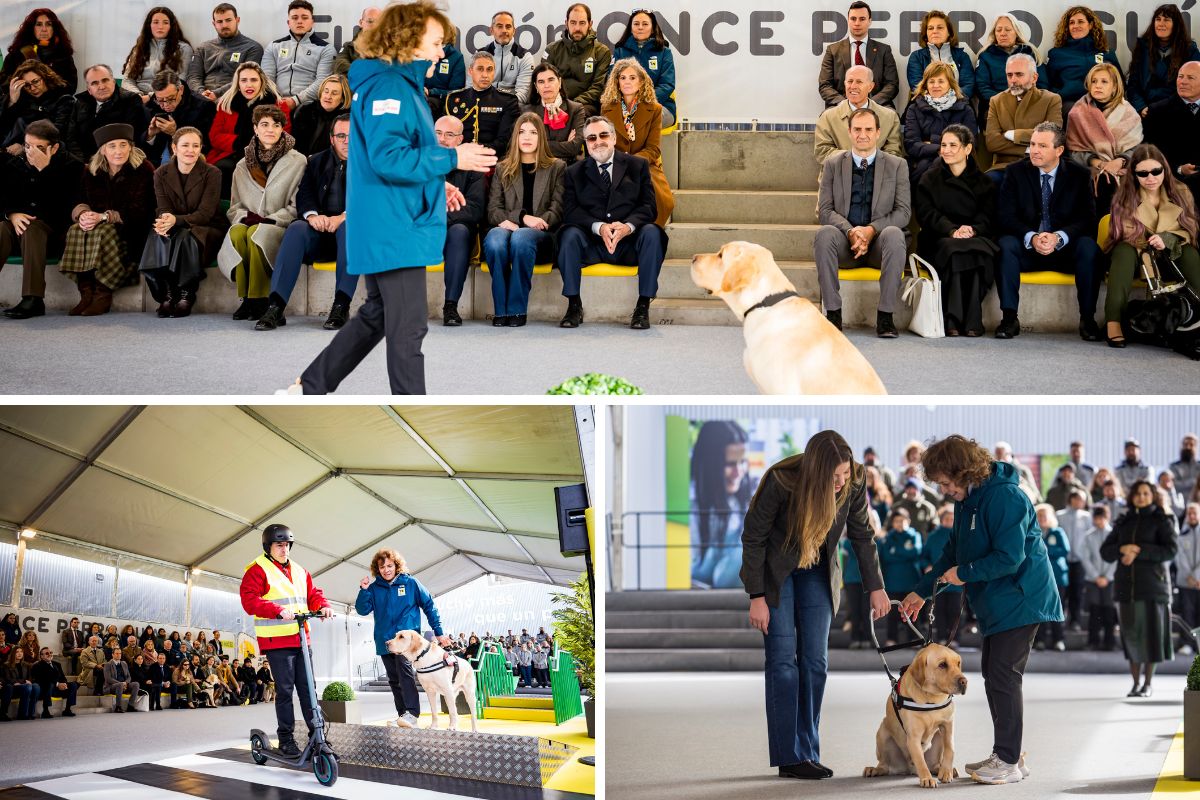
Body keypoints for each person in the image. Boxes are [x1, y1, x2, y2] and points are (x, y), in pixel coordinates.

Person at [291, 1, 496, 396]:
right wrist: (454, 156)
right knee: (409, 328)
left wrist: (437, 183)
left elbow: (384, 158)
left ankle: (311, 385)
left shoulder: (397, 85)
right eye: (436, 42)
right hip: (394, 227)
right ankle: (409, 406)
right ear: (408, 40)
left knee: (378, 314)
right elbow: (389, 159)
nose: (442, 52)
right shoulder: (391, 88)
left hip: (391, 219)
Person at [900, 435, 1062, 785]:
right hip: (998, 603)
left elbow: (1010, 556)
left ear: (964, 471)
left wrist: (964, 573)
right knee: (995, 674)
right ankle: (1010, 754)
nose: (943, 490)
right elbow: (952, 552)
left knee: (1003, 676)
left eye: (945, 482)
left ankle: (1007, 761)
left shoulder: (1005, 496)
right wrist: (920, 592)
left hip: (1022, 599)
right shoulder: (966, 501)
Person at [742, 430, 889, 780]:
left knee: (815, 662)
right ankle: (788, 756)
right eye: (833, 476)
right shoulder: (782, 480)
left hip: (819, 570)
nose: (840, 482)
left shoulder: (853, 479)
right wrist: (756, 596)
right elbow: (754, 537)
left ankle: (806, 750)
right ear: (815, 470)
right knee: (782, 663)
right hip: (778, 573)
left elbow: (862, 534)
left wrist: (876, 587)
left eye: (844, 474)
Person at [556, 116, 666, 330]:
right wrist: (599, 227)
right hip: (592, 245)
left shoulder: (638, 166)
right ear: (586, 144)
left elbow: (649, 207)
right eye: (591, 138)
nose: (598, 141)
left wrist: (628, 227)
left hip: (629, 245)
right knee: (568, 234)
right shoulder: (573, 172)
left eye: (604, 135)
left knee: (653, 232)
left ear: (614, 138)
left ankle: (643, 306)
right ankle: (573, 304)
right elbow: (570, 212)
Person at [995, 122, 1102, 340]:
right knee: (1006, 245)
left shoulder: (1079, 175)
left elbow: (1088, 219)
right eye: (1033, 144)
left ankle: (1088, 319)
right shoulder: (1015, 172)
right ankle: (1009, 318)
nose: (1034, 150)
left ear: (1059, 150)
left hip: (1065, 251)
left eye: (1042, 146)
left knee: (1089, 247)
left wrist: (1058, 237)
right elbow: (1005, 216)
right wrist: (1031, 236)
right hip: (1028, 250)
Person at [814, 107, 910, 337]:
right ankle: (834, 315)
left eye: (868, 129)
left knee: (895, 234)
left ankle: (886, 317)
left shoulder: (897, 165)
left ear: (878, 132)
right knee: (824, 234)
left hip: (879, 246)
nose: (862, 134)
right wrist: (851, 232)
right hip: (845, 245)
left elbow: (903, 212)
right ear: (849, 131)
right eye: (857, 129)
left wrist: (871, 230)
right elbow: (825, 210)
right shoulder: (833, 164)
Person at [240, 524, 332, 754]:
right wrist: (275, 610)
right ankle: (286, 740)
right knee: (284, 691)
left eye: (287, 545)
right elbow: (249, 600)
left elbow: (313, 594)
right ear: (268, 546)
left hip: (302, 639)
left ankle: (317, 739)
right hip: (278, 642)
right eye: (279, 545)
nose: (284, 549)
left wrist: (323, 606)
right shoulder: (257, 569)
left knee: (309, 690)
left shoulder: (300, 571)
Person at [256, 113, 354, 331]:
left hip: (352, 237)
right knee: (297, 228)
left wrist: (343, 217)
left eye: (352, 136)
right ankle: (276, 306)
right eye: (341, 136)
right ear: (332, 139)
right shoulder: (316, 161)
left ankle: (341, 306)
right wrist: (312, 216)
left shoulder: (371, 165)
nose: (347, 141)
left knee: (350, 227)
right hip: (320, 233)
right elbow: (305, 194)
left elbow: (374, 200)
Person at [1103, 143, 1200, 348]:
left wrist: (1167, 238)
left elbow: (1191, 229)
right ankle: (1113, 321)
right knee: (1123, 253)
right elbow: (1123, 233)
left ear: (1164, 168)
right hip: (1137, 251)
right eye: (1143, 173)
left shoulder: (1181, 191)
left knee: (1190, 253)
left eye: (1156, 171)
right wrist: (1150, 241)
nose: (1151, 178)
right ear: (1134, 174)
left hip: (1171, 250)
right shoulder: (1125, 196)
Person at [217, 104, 307, 322]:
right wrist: (244, 218)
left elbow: (297, 206)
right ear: (255, 128)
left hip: (280, 226)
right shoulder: (241, 165)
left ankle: (259, 299)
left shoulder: (298, 161)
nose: (270, 129)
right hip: (249, 223)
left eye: (276, 125)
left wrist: (270, 219)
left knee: (257, 233)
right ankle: (246, 298)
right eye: (264, 124)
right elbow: (234, 206)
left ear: (282, 129)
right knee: (238, 233)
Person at [59, 122, 156, 316]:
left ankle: (103, 293)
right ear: (103, 150)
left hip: (132, 231)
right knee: (77, 229)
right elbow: (79, 199)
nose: (118, 151)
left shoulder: (144, 169)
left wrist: (104, 216)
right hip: (97, 228)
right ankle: (86, 292)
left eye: (123, 145)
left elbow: (142, 210)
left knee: (104, 229)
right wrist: (83, 214)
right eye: (112, 146)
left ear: (131, 147)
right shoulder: (91, 170)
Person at [913, 124, 997, 337]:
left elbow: (989, 216)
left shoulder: (985, 182)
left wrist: (972, 229)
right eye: (943, 145)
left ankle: (960, 320)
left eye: (953, 145)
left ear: (968, 149)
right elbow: (926, 214)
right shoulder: (929, 179)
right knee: (955, 250)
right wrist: (951, 230)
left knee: (976, 252)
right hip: (938, 237)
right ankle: (965, 320)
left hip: (974, 237)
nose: (946, 150)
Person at [483, 112, 565, 326]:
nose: (526, 137)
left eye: (533, 132)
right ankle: (501, 310)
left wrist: (531, 223)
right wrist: (521, 217)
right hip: (507, 229)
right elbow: (493, 210)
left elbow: (556, 210)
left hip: (542, 237)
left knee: (521, 237)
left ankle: (517, 309)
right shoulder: (503, 168)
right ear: (515, 137)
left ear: (541, 137)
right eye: (521, 132)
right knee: (494, 240)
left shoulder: (557, 167)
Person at [355, 547, 449, 728]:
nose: (386, 570)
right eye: (382, 567)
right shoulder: (374, 588)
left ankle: (412, 713)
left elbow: (429, 604)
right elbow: (362, 610)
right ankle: (402, 715)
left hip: (407, 643)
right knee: (393, 679)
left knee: (405, 675)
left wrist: (438, 631)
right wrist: (364, 590)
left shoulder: (411, 583)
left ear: (397, 565)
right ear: (377, 569)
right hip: (385, 641)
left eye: (389, 565)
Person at [1101, 479, 1178, 698]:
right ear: (1132, 496)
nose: (1141, 497)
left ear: (1153, 495)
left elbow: (1170, 550)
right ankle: (1135, 684)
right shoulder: (1124, 521)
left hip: (1154, 588)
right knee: (1131, 637)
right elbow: (1105, 551)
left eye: (1146, 493)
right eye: (1138, 493)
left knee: (1151, 638)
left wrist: (1139, 551)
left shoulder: (1162, 519)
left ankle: (1148, 683)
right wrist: (1123, 548)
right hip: (1126, 588)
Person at [139, 125, 226, 318]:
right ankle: (169, 293)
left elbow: (205, 214)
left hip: (208, 229)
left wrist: (174, 220)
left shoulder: (212, 173)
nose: (191, 150)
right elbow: (163, 208)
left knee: (185, 236)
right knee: (158, 234)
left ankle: (186, 293)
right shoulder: (160, 173)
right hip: (176, 226)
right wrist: (163, 222)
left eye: (196, 146)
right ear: (174, 148)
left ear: (201, 148)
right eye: (185, 145)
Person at [0, 119, 83, 320]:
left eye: (38, 147)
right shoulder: (15, 163)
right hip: (18, 231)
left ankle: (33, 298)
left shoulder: (72, 166)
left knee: (31, 227)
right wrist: (11, 214)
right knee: (1, 227)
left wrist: (45, 170)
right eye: (27, 146)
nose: (31, 152)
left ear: (53, 148)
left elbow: (64, 207)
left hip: (54, 233)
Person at [601, 58, 675, 227]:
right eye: (623, 78)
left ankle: (651, 235)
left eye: (632, 78)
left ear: (641, 82)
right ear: (617, 82)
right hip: (615, 164)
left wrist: (632, 162)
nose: (627, 82)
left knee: (664, 201)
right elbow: (605, 144)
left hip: (645, 165)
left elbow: (653, 149)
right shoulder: (606, 108)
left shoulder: (654, 109)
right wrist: (619, 161)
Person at [1066, 63, 1142, 221]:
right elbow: (1073, 151)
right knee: (1101, 181)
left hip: (1123, 167)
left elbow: (1136, 148)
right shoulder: (1077, 112)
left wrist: (1120, 161)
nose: (1097, 86)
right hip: (1089, 168)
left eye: (1104, 82)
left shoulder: (1129, 113)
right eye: (1094, 81)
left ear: (1115, 86)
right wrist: (1100, 164)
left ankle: (1122, 232)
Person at [206, 61, 292, 195]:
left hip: (265, 155)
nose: (249, 85)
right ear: (238, 83)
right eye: (244, 80)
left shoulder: (278, 105)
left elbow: (284, 135)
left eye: (254, 80)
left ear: (262, 82)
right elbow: (214, 136)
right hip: (231, 153)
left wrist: (255, 146)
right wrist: (239, 142)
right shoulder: (226, 103)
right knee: (222, 169)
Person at [434, 114, 486, 327]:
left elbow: (474, 209)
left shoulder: (473, 167)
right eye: (437, 133)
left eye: (449, 135)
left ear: (460, 140)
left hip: (454, 227)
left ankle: (451, 305)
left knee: (459, 232)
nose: (441, 139)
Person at [689, 421, 752, 589]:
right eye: (730, 464)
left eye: (743, 461)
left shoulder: (743, 501)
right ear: (710, 466)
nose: (738, 472)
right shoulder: (690, 507)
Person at [984, 53, 1063, 174]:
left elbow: (1052, 136)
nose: (1013, 80)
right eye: (1009, 75)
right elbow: (992, 143)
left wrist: (1014, 135)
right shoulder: (996, 101)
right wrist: (1029, 148)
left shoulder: (1051, 99)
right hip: (1004, 166)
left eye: (1019, 74)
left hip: (1040, 166)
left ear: (1034, 78)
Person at [903, 62, 978, 185]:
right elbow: (911, 144)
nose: (935, 85)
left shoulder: (965, 108)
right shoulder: (914, 108)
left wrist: (932, 140)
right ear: (926, 84)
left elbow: (971, 143)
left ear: (950, 83)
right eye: (931, 81)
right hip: (922, 164)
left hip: (957, 162)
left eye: (941, 81)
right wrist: (941, 148)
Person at [814, 65, 903, 165]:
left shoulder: (890, 117)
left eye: (859, 82)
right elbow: (822, 152)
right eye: (850, 81)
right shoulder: (827, 117)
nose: (853, 86)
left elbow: (894, 152)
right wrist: (853, 159)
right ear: (845, 84)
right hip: (838, 176)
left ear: (870, 87)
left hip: (876, 177)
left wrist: (870, 164)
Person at [817, 1, 899, 109]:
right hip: (841, 106)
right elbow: (825, 86)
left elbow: (892, 85)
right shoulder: (832, 50)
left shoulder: (884, 50)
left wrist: (869, 104)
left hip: (877, 105)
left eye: (862, 19)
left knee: (892, 117)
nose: (857, 23)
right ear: (848, 20)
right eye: (853, 19)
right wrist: (847, 105)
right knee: (826, 118)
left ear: (870, 21)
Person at [1045, 6, 1121, 115]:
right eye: (1071, 23)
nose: (1075, 26)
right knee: (1078, 113)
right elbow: (1049, 84)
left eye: (1080, 22)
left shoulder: (1106, 53)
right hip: (1070, 103)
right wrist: (1060, 94)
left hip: (1102, 102)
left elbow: (1119, 82)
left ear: (1090, 25)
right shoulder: (1057, 54)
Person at [262, 0, 334, 113]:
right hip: (275, 102)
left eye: (304, 17)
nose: (299, 21)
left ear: (312, 21)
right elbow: (266, 78)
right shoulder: (273, 46)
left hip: (308, 105)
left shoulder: (326, 48)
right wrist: (277, 99)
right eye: (295, 18)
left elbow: (322, 82)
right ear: (288, 22)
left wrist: (296, 100)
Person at [1127, 4, 1200, 115]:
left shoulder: (1189, 50)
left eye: (1166, 20)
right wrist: (1141, 107)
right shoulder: (1142, 47)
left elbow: (1193, 85)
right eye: (1158, 19)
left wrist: (1168, 107)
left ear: (1176, 25)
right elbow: (1133, 84)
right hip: (1146, 111)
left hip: (1177, 112)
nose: (1161, 24)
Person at [975, 14, 1045, 125]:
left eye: (1008, 29)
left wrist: (1024, 102)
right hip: (995, 106)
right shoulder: (985, 56)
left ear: (1016, 32)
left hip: (1028, 104)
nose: (1003, 33)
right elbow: (982, 87)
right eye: (998, 30)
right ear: (994, 34)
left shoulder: (1030, 53)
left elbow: (1043, 84)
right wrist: (1007, 102)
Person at [543, 3, 612, 116]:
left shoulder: (602, 52)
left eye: (582, 23)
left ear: (590, 24)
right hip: (555, 102)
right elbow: (544, 81)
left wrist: (571, 105)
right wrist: (558, 103)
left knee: (579, 113)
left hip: (586, 105)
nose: (577, 28)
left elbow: (598, 88)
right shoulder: (552, 49)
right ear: (566, 23)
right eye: (573, 23)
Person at [446, 51, 519, 157]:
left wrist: (476, 152)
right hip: (460, 159)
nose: (485, 75)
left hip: (491, 161)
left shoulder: (507, 101)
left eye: (489, 70)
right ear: (470, 71)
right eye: (480, 69)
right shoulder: (454, 100)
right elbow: (446, 136)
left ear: (494, 72)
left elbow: (505, 141)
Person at [67, 64, 147, 161]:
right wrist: (81, 163)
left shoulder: (130, 101)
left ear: (113, 82)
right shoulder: (80, 102)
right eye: (95, 83)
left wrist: (101, 164)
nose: (101, 86)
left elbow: (133, 139)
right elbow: (72, 138)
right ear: (89, 89)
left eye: (105, 80)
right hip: (84, 161)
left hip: (116, 160)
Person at [613, 9, 676, 127]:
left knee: (638, 118)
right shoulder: (620, 51)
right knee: (610, 120)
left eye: (645, 24)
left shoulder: (664, 52)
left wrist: (641, 102)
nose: (640, 27)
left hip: (660, 106)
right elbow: (611, 81)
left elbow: (667, 85)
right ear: (631, 28)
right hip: (624, 106)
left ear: (652, 28)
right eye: (636, 24)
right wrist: (627, 103)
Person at [188, 3, 264, 103]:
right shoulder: (202, 48)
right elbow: (193, 77)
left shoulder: (252, 48)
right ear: (214, 24)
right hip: (202, 98)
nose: (224, 25)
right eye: (219, 21)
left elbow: (246, 80)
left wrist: (216, 93)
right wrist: (202, 94)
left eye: (228, 20)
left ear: (237, 20)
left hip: (232, 97)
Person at [143, 70, 217, 167]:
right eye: (160, 100)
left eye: (171, 98)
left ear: (181, 89)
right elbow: (141, 144)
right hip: (155, 158)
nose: (165, 105)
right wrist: (150, 135)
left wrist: (175, 133)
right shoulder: (153, 102)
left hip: (187, 161)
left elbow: (204, 146)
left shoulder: (204, 107)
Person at [0, 59, 75, 152]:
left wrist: (24, 147)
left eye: (35, 81)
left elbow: (57, 133)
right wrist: (12, 101)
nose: (32, 88)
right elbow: (4, 127)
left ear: (45, 77)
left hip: (44, 152)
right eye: (27, 85)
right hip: (9, 150)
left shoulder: (63, 99)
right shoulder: (23, 99)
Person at [121, 7, 194, 100]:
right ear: (149, 25)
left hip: (165, 99)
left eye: (165, 22)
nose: (160, 26)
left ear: (171, 26)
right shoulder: (139, 48)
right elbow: (127, 79)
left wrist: (150, 97)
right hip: (136, 98)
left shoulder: (184, 49)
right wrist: (138, 96)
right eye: (156, 22)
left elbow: (180, 82)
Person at [905, 10, 976, 101]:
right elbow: (917, 87)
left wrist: (949, 102)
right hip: (925, 108)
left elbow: (968, 86)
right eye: (930, 28)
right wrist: (937, 104)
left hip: (958, 106)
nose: (935, 31)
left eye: (940, 27)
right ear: (926, 33)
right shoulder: (917, 57)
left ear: (949, 32)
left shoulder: (962, 57)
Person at [0, 8, 77, 92]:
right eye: (39, 24)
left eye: (48, 24)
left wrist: (47, 87)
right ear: (32, 28)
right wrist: (26, 85)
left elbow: (71, 87)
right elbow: (3, 83)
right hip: (23, 103)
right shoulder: (16, 55)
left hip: (53, 104)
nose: (44, 29)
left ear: (54, 28)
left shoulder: (63, 55)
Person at [879, 508, 923, 647]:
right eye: (896, 521)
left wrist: (896, 551)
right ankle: (892, 638)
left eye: (902, 520)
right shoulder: (888, 537)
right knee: (892, 613)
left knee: (912, 610)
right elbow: (886, 556)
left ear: (908, 521)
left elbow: (916, 552)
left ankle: (913, 638)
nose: (900, 523)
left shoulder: (914, 535)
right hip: (892, 581)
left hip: (911, 581)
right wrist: (904, 552)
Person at [524, 62, 585, 162]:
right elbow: (525, 146)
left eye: (551, 80)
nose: (546, 85)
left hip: (567, 167)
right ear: (536, 87)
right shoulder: (527, 111)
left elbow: (575, 147)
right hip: (537, 165)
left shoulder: (576, 109)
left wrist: (539, 144)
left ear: (560, 82)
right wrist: (565, 144)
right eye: (541, 82)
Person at [921, 507, 964, 646]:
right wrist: (927, 566)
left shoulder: (961, 534)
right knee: (939, 611)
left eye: (952, 519)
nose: (950, 521)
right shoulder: (933, 536)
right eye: (947, 519)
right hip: (937, 581)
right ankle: (940, 638)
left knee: (955, 610)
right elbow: (923, 556)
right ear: (941, 520)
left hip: (956, 582)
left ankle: (954, 639)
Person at [1079, 504, 1117, 650]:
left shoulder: (1114, 535)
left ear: (1107, 518)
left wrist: (1107, 576)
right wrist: (1096, 576)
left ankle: (1110, 642)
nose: (1099, 521)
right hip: (1092, 580)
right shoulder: (1089, 536)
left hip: (1110, 579)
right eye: (1096, 518)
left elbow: (1116, 558)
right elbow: (1085, 558)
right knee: (1094, 611)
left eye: (1102, 518)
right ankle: (1093, 641)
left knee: (1109, 611)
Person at [1034, 504, 1070, 651]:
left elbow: (1065, 550)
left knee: (1057, 609)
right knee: (1040, 611)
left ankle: (1059, 639)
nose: (1042, 518)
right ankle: (1040, 640)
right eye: (1039, 515)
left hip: (1058, 578)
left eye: (1044, 515)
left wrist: (1046, 550)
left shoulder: (1058, 532)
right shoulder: (1034, 532)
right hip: (1039, 578)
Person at [479, 11, 535, 104]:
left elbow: (523, 94)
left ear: (514, 31)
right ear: (491, 30)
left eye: (508, 26)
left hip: (512, 108)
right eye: (499, 26)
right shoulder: (480, 55)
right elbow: (471, 87)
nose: (504, 30)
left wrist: (499, 105)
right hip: (483, 105)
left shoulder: (525, 56)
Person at [291, 73, 349, 155]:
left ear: (343, 98)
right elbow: (295, 146)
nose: (328, 96)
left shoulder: (348, 119)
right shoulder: (305, 112)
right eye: (326, 91)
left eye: (334, 93)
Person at [423, 38, 465, 120]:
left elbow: (456, 91)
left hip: (441, 100)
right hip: (421, 95)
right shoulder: (423, 52)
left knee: (425, 103)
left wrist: (431, 92)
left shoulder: (456, 57)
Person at [333, 6, 381, 76]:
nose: (374, 26)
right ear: (361, 23)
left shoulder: (389, 47)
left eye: (378, 22)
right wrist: (364, 75)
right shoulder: (349, 46)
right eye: (370, 21)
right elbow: (339, 65)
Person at [31, 646, 77, 718]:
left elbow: (63, 677)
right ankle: (45, 711)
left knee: (73, 685)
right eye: (47, 653)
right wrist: (57, 684)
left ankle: (67, 709)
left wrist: (64, 684)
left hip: (58, 689)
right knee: (49, 684)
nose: (49, 654)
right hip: (46, 689)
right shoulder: (38, 665)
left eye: (51, 652)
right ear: (41, 656)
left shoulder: (57, 664)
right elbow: (42, 679)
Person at [1177, 503, 1200, 638]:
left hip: (1198, 581)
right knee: (1187, 612)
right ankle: (1187, 642)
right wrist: (1189, 576)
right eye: (1189, 514)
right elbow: (1179, 557)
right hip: (1186, 582)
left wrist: (1197, 577)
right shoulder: (1181, 534)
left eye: (1194, 513)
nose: (1191, 516)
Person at [3, 649, 41, 720]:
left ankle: (30, 713)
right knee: (28, 686)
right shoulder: (7, 665)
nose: (19, 654)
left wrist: (28, 681)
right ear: (13, 653)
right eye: (17, 652)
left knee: (36, 686)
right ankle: (22, 714)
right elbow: (8, 678)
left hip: (25, 686)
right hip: (14, 687)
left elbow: (30, 678)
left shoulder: (26, 665)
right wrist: (24, 681)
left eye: (21, 652)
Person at [101, 648, 141, 713]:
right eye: (117, 653)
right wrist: (121, 684)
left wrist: (126, 683)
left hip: (124, 685)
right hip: (111, 686)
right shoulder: (108, 664)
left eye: (120, 653)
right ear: (112, 655)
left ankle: (130, 705)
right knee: (119, 685)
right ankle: (118, 707)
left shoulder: (124, 663)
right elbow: (108, 679)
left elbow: (129, 677)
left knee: (136, 684)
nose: (118, 655)